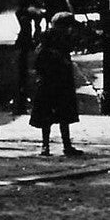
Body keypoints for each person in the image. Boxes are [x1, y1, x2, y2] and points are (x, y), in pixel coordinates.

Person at [29, 13, 83, 156]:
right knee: (61, 115)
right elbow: (41, 61)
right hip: (56, 81)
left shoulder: (48, 39)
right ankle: (60, 146)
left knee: (51, 116)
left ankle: (48, 146)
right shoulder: (54, 40)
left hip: (50, 82)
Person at [13, 0, 46, 114]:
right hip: (25, 41)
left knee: (23, 68)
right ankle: (21, 103)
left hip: (24, 41)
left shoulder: (22, 13)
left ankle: (20, 102)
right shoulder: (27, 14)